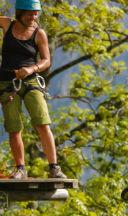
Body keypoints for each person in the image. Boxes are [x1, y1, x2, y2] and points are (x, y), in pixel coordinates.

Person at [0, 0, 66, 179]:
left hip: (31, 82)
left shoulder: (39, 33)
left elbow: (46, 60)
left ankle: (54, 167)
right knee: (14, 128)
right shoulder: (7, 24)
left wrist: (31, 69)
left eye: (36, 13)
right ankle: (20, 168)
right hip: (7, 84)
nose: (34, 17)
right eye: (30, 14)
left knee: (42, 123)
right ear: (20, 13)